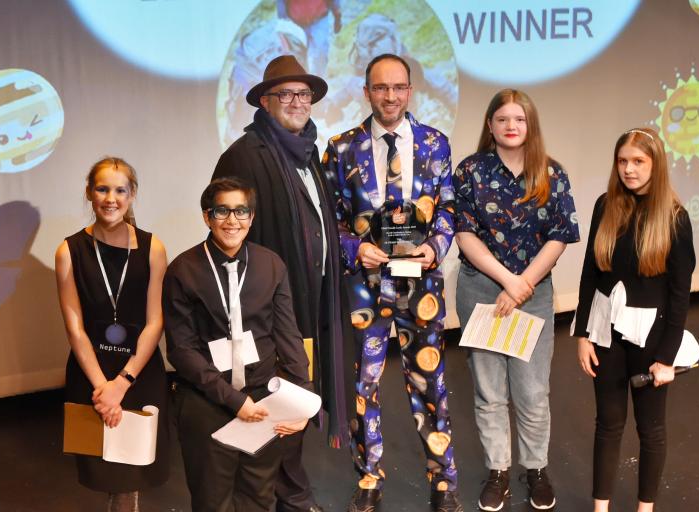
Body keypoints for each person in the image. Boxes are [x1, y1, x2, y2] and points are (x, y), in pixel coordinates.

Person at [322, 53, 463, 512]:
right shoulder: (341, 148)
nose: (390, 96)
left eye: (398, 87)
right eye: (380, 88)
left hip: (420, 287)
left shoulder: (435, 143)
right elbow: (329, 220)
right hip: (364, 286)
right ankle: (368, 477)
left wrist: (436, 246)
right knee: (363, 388)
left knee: (430, 383)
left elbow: (447, 208)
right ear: (366, 92)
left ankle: (444, 483)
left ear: (410, 90)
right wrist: (354, 248)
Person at [213, 54, 349, 512]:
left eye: (304, 95)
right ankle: (279, 495)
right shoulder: (244, 156)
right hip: (270, 312)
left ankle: (290, 491)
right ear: (266, 102)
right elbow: (227, 235)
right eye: (286, 94)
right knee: (278, 397)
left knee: (297, 395)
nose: (297, 102)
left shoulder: (309, 155)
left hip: (311, 305)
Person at [452, 89, 580, 511]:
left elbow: (560, 235)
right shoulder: (469, 171)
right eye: (502, 118)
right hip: (482, 289)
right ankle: (498, 471)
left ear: (530, 125)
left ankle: (536, 469)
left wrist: (523, 284)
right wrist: (508, 281)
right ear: (489, 125)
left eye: (519, 119)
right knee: (489, 392)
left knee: (532, 391)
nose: (511, 126)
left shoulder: (552, 174)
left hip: (533, 293)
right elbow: (465, 234)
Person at [163, 177, 312, 512]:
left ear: (252, 217)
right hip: (207, 402)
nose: (232, 220)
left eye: (241, 211)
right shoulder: (182, 271)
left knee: (259, 496)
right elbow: (182, 351)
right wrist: (234, 401)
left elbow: (288, 336)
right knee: (212, 501)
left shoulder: (270, 264)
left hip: (263, 398)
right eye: (222, 211)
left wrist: (301, 399)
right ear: (206, 217)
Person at [572, 127, 695, 512]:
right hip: (604, 334)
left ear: (655, 165)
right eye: (622, 161)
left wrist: (667, 356)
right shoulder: (604, 206)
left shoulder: (676, 218)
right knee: (607, 425)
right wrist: (582, 334)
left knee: (650, 429)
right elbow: (591, 274)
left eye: (638, 161)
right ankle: (600, 507)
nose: (629, 169)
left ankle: (645, 509)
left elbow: (679, 295)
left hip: (652, 343)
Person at [55, 157, 169, 511]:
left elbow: (155, 322)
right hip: (92, 373)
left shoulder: (154, 248)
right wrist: (102, 387)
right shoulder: (68, 251)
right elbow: (75, 328)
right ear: (90, 193)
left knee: (131, 471)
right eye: (102, 188)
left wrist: (122, 382)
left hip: (140, 371)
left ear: (132, 195)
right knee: (105, 469)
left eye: (120, 190)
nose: (111, 198)